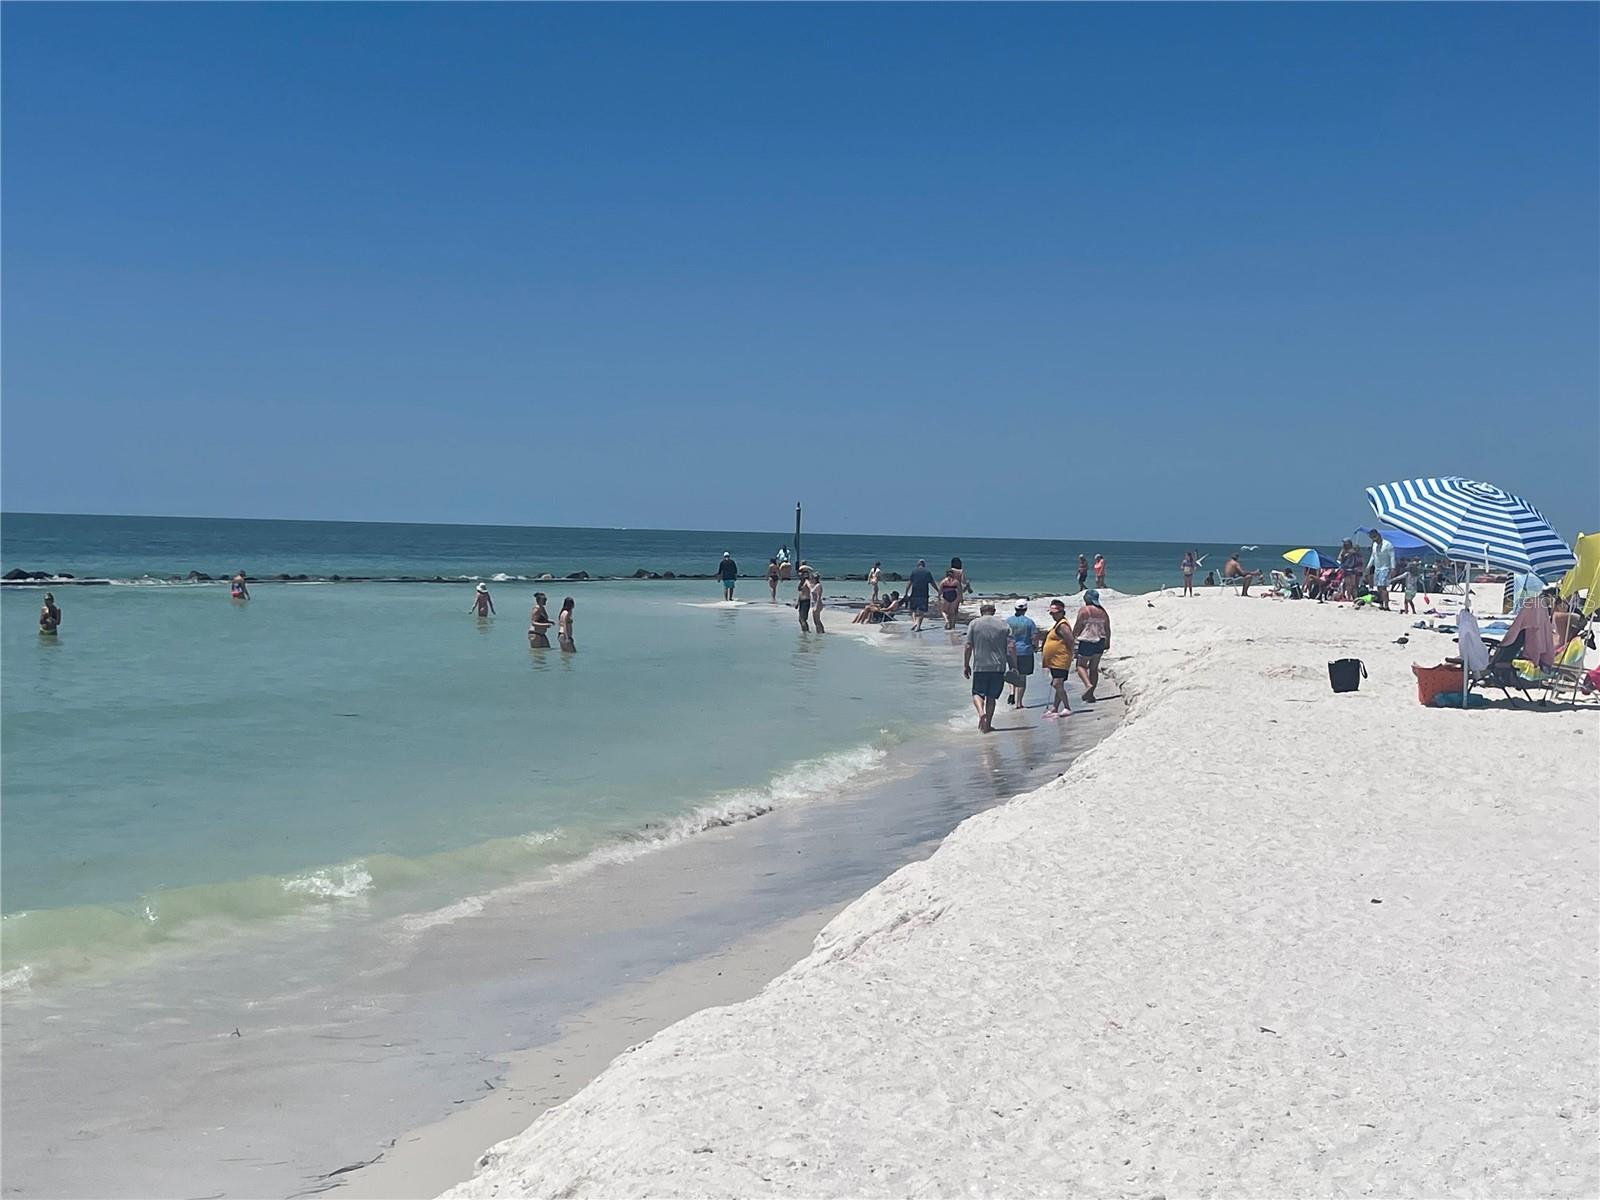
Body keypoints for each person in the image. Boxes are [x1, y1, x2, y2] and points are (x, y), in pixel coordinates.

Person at [963, 601, 1016, 733]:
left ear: (981, 611)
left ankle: (981, 713)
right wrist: (1013, 666)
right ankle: (988, 725)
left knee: (977, 693)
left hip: (980, 666)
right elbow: (1010, 648)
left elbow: (968, 646)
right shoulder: (1004, 625)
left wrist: (966, 664)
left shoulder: (974, 624)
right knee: (992, 697)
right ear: (994, 611)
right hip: (999, 667)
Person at [1072, 589, 1111, 702]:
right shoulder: (1102, 611)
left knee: (1080, 666)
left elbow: (1078, 626)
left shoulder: (1084, 610)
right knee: (1093, 668)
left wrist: (1072, 638)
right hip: (1100, 641)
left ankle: (1088, 685)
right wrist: (1108, 642)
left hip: (1087, 641)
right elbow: (1107, 628)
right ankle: (1091, 694)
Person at [1040, 598, 1075, 718]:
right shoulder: (1057, 624)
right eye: (1051, 613)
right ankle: (1055, 708)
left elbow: (1070, 640)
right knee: (1058, 684)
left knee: (1056, 684)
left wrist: (1072, 654)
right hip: (1055, 660)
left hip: (1061, 659)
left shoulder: (1063, 625)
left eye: (1054, 613)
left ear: (1061, 612)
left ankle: (1067, 707)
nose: (1052, 615)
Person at [1005, 601, 1040, 708]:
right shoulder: (1029, 622)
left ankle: (1012, 692)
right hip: (1025, 651)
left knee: (1013, 673)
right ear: (1025, 609)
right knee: (1022, 677)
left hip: (1010, 651)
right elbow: (1034, 636)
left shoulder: (1008, 621)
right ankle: (1019, 703)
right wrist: (1035, 647)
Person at [1367, 529, 1394, 611]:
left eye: (1375, 537)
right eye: (1372, 538)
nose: (1374, 539)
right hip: (1377, 568)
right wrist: (1368, 566)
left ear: (1378, 535)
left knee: (1383, 587)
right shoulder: (1374, 545)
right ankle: (1381, 603)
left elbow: (1392, 557)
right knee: (1378, 587)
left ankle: (1386, 605)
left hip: (1385, 568)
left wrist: (1393, 568)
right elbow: (1373, 556)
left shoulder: (1388, 544)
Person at [906, 559, 936, 632]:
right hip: (924, 594)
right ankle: (918, 626)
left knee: (913, 609)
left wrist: (906, 592)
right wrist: (938, 590)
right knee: (922, 611)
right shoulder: (927, 572)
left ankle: (914, 622)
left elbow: (909, 583)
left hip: (914, 593)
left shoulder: (914, 571)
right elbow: (932, 583)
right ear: (924, 565)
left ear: (918, 564)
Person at [938, 564, 963, 630]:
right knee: (952, 612)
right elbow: (960, 590)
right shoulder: (956, 581)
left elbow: (940, 591)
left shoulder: (943, 581)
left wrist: (938, 597)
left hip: (946, 596)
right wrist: (961, 598)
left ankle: (946, 621)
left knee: (943, 611)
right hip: (954, 596)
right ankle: (952, 626)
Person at [807, 569, 826, 634]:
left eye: (812, 578)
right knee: (816, 620)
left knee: (817, 620)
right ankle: (820, 632)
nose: (811, 580)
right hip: (814, 604)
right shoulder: (814, 585)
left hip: (817, 604)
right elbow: (809, 585)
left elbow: (819, 596)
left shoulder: (818, 586)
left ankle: (821, 632)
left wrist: (816, 606)